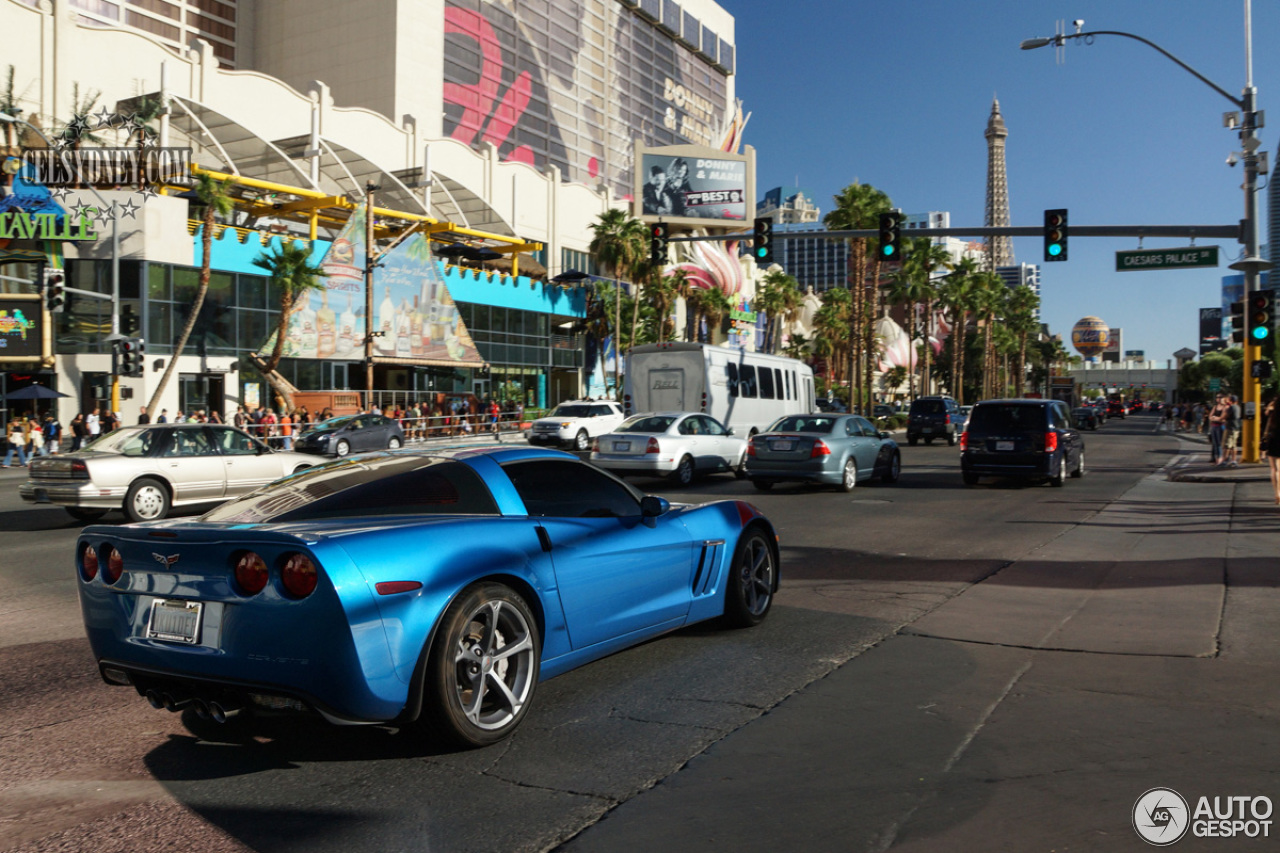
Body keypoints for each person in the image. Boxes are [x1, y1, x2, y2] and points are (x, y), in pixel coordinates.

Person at [1264, 395, 1280, 504]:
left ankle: (1277, 493)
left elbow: (1266, 413)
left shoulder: (1272, 414)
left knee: (1274, 469)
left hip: (1274, 440)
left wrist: (1272, 405)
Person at [1222, 394, 1242, 468]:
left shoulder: (1231, 407)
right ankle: (1233, 460)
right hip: (1236, 428)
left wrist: (1217, 418)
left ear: (1231, 401)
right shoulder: (1238, 407)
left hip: (1230, 428)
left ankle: (1224, 460)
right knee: (1233, 446)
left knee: (1226, 445)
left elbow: (1224, 416)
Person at [1208, 393, 1227, 465]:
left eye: (1220, 397)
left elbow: (1222, 418)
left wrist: (1215, 418)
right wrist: (1215, 418)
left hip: (1221, 427)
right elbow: (1210, 416)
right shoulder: (1215, 407)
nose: (1218, 399)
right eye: (1217, 397)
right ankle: (1216, 458)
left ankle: (1220, 458)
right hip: (1214, 426)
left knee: (1220, 443)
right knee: (1215, 443)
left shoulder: (1225, 407)